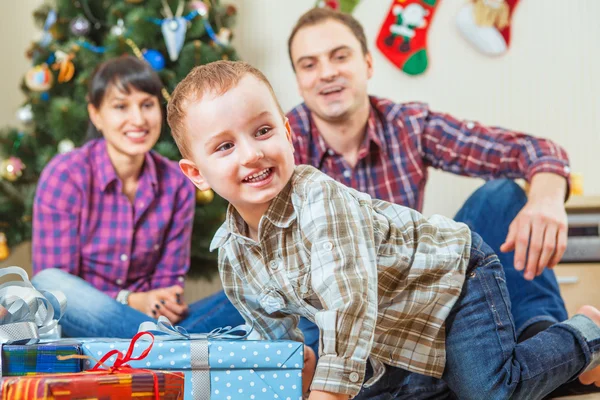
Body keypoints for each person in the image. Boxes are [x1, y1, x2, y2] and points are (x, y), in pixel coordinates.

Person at [167, 60, 600, 400]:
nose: (252, 153)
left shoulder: (317, 197)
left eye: (263, 131)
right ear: (196, 173)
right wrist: (292, 374)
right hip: (398, 322)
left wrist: (327, 391)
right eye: (225, 146)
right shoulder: (233, 250)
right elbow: (272, 332)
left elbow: (348, 305)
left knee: (489, 390)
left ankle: (585, 334)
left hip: (455, 280)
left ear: (286, 133)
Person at [286, 7, 573, 351]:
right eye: (309, 64)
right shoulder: (281, 143)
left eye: (340, 56)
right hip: (329, 313)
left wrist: (546, 198)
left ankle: (548, 342)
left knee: (501, 197)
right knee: (217, 322)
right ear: (299, 81)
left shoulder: (409, 125)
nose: (327, 73)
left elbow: (532, 150)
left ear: (367, 64)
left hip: (417, 298)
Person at [30, 55, 242, 338]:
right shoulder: (65, 175)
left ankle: (165, 349)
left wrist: (164, 302)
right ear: (96, 115)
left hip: (154, 326)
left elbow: (168, 284)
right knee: (47, 281)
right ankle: (175, 350)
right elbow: (56, 293)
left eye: (147, 105)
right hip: (83, 327)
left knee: (255, 295)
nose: (139, 119)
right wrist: (129, 300)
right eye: (120, 106)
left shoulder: (176, 183)